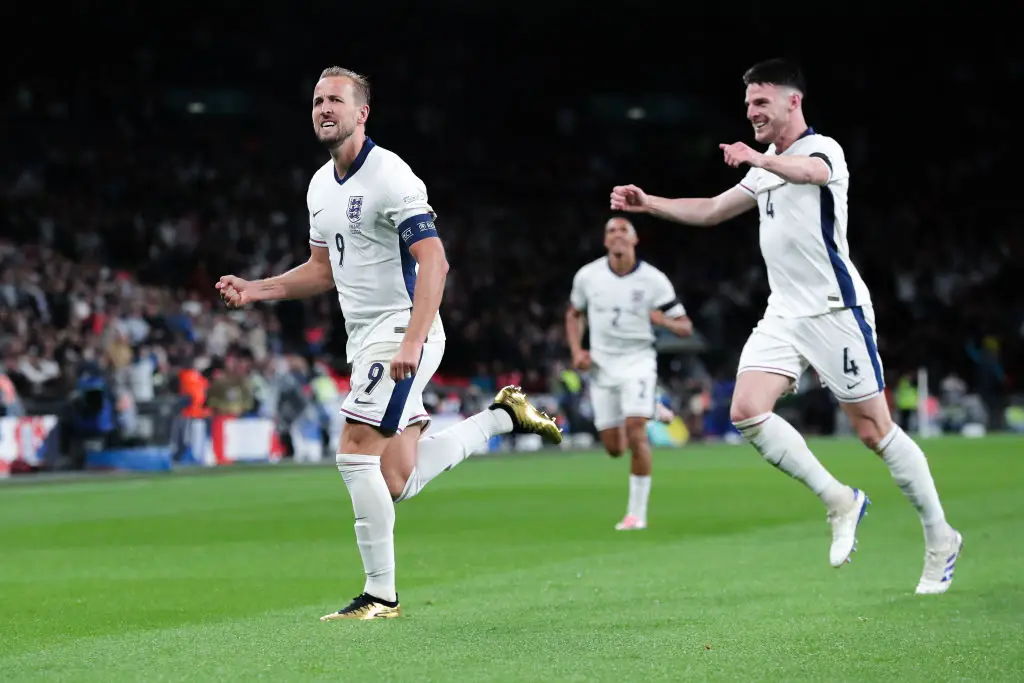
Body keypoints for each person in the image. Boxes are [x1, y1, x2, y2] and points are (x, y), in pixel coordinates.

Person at [216, 66, 561, 620]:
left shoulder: (392, 176)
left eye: (335, 101)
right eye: (316, 101)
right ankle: (503, 417)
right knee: (396, 478)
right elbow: (321, 269)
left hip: (403, 331)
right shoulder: (320, 186)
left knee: (354, 451)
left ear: (361, 113)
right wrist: (255, 289)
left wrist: (413, 341)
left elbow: (435, 261)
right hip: (367, 341)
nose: (324, 109)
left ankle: (380, 595)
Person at [609, 58, 961, 595]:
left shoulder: (823, 150)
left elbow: (810, 173)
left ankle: (940, 536)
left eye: (761, 102)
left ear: (793, 101)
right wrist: (648, 203)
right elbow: (710, 210)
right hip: (784, 313)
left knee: (874, 431)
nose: (751, 112)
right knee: (746, 411)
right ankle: (840, 500)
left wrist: (758, 159)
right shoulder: (767, 163)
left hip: (834, 311)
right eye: (748, 103)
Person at [565, 217, 693, 531]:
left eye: (624, 230)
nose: (617, 235)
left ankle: (636, 515)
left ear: (635, 240)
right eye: (611, 231)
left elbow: (685, 326)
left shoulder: (654, 280)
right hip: (602, 365)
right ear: (605, 241)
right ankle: (650, 407)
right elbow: (573, 313)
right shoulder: (588, 276)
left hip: (638, 360)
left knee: (636, 431)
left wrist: (662, 321)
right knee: (614, 448)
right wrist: (576, 351)